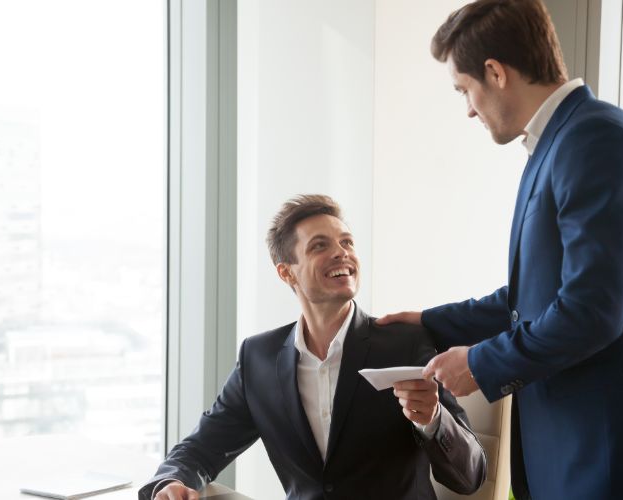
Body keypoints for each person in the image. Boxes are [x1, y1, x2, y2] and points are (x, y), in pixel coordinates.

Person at [378, 1, 623, 499]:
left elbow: (591, 311)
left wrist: (477, 363)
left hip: (610, 454)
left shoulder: (595, 141)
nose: (468, 108)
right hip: (577, 451)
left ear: (495, 72)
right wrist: (429, 321)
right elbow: (531, 299)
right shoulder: (560, 143)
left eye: (464, 90)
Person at [140, 195, 486, 500]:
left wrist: (432, 419)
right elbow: (202, 448)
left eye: (347, 242)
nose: (342, 253)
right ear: (286, 273)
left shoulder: (406, 343)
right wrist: (170, 482)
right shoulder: (258, 358)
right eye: (319, 246)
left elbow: (471, 477)